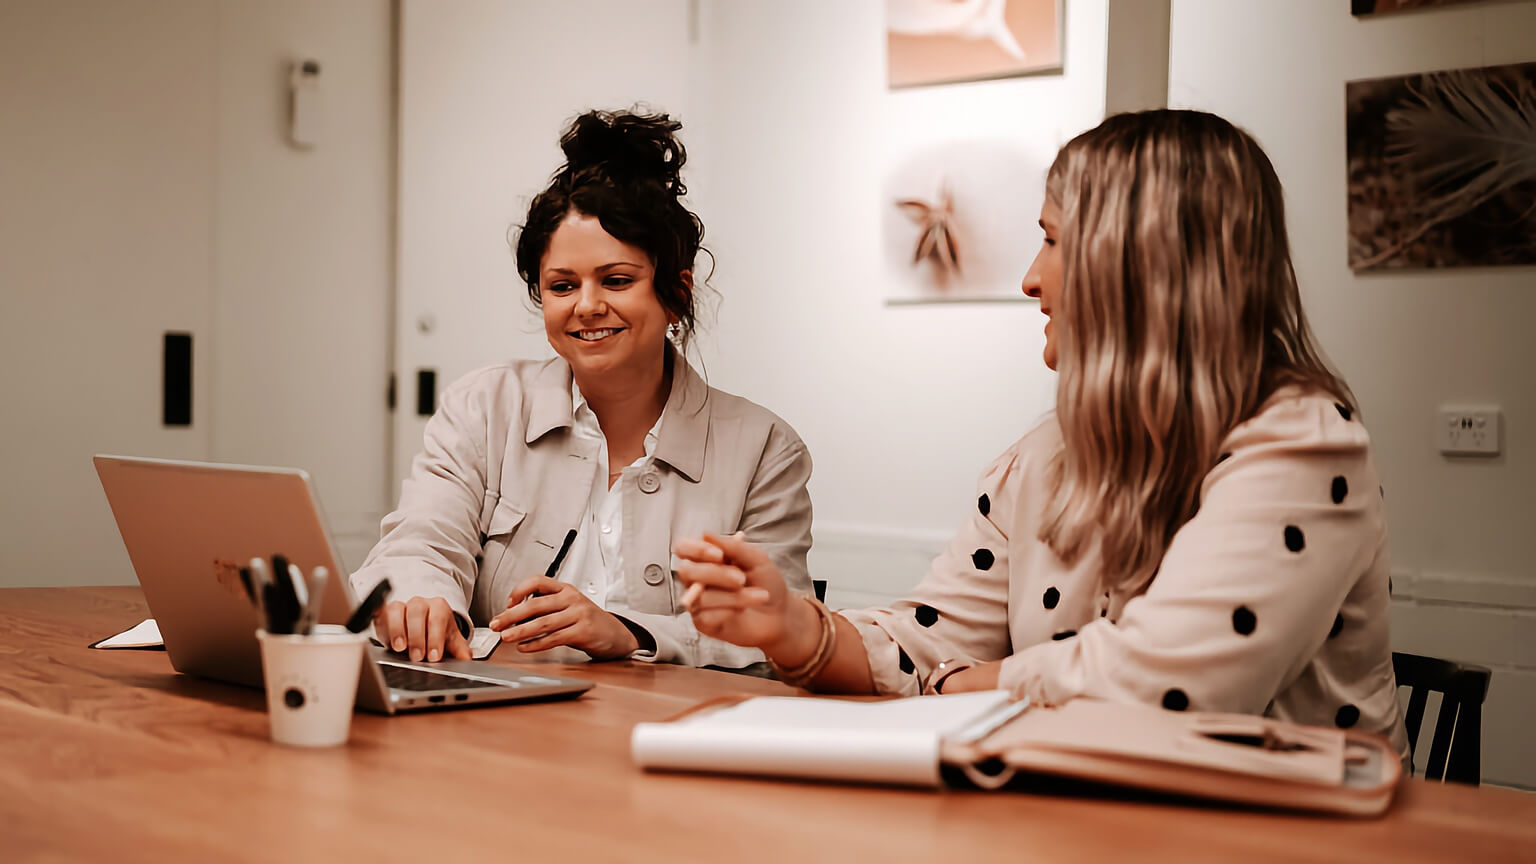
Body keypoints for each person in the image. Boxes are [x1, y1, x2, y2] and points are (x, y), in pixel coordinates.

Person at [675, 109, 1408, 753]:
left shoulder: (1303, 444)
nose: (1030, 277)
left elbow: (1166, 688)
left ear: (1138, 265)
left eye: (1052, 240)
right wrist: (791, 626)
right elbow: (931, 639)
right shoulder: (1045, 459)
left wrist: (981, 682)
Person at [353, 109, 813, 668]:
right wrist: (421, 598)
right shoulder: (484, 406)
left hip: (675, 731)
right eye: (562, 286)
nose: (587, 306)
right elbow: (419, 542)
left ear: (676, 292)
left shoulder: (765, 448)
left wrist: (630, 632)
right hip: (499, 727)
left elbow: (785, 636)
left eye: (617, 280)